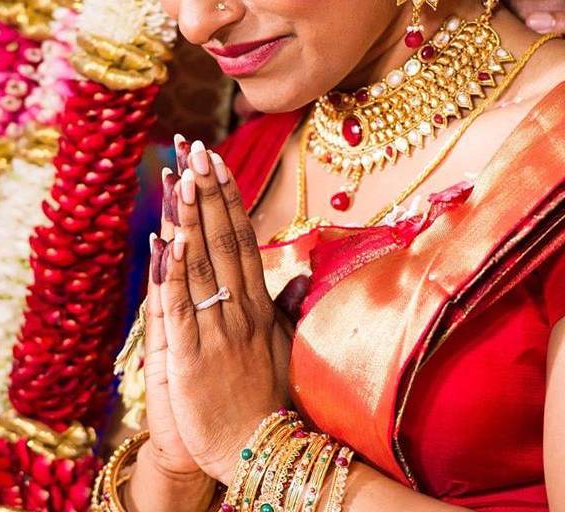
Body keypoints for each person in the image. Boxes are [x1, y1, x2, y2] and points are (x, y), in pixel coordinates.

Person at [89, 0, 565, 511]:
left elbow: (240, 443)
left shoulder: (548, 165)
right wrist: (175, 470)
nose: (197, 21)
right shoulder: (238, 168)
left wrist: (255, 448)